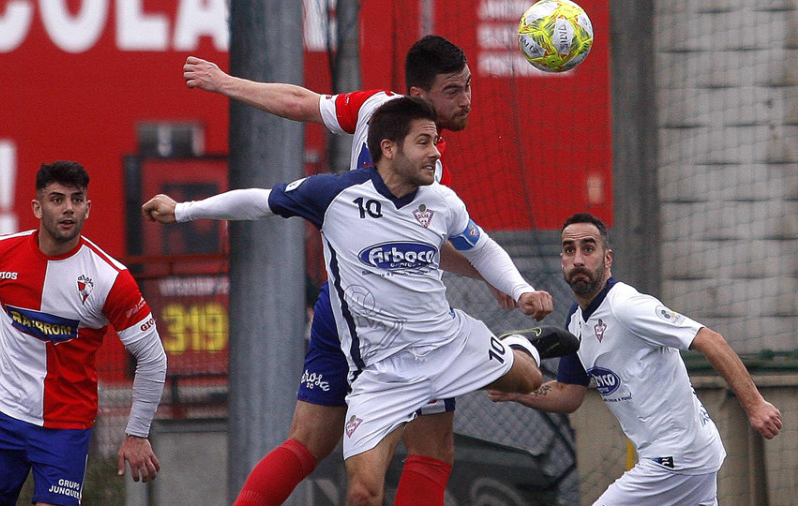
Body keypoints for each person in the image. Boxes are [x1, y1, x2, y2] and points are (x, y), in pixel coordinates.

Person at [143, 96, 579, 505]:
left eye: (437, 141)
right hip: (381, 373)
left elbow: (480, 248)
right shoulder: (334, 195)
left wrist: (521, 290)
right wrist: (183, 211)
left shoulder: (442, 202)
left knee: (524, 379)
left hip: (447, 345)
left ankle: (522, 341)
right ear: (389, 148)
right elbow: (259, 200)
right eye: (424, 142)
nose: (436, 153)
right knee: (362, 493)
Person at [184, 35, 523, 505]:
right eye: (453, 91)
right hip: (400, 325)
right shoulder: (414, 159)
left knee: (309, 444)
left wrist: (225, 82)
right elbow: (299, 103)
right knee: (429, 448)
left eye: (468, 86)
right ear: (419, 98)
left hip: (338, 304)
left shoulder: (383, 116)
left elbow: (410, 246)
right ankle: (525, 350)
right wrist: (225, 82)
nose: (466, 100)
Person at [488, 212, 783, 506]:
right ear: (562, 260)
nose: (578, 259)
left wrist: (755, 404)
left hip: (676, 459)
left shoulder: (627, 306)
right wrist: (516, 391)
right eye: (569, 250)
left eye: (588, 248)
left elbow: (709, 339)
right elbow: (568, 394)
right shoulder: (576, 322)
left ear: (607, 258)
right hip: (689, 455)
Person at [0, 161, 168, 506]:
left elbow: (153, 358)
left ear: (87, 208)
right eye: (57, 199)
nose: (68, 209)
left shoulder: (110, 279)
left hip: (65, 427)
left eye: (77, 200)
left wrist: (137, 433)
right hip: (4, 415)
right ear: (37, 207)